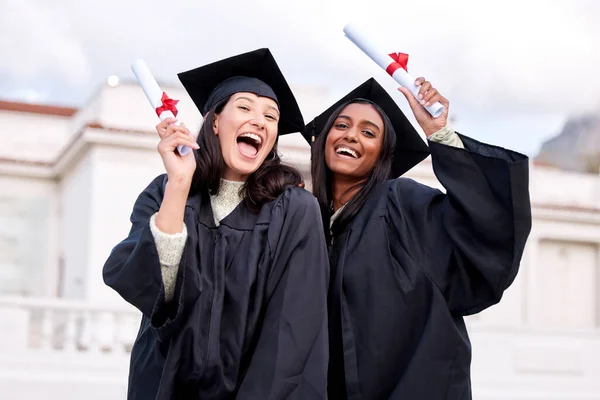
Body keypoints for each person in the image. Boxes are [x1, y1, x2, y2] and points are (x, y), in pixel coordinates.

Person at [103, 48, 330, 399]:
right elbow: (152, 294)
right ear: (214, 122)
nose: (259, 121)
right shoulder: (166, 193)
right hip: (165, 387)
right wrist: (179, 184)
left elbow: (293, 329)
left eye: (271, 116)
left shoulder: (294, 210)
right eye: (244, 108)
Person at [302, 77, 532, 399]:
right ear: (324, 138)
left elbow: (482, 227)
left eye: (369, 133)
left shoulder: (400, 204)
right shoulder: (307, 225)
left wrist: (439, 133)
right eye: (341, 125)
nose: (351, 135)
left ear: (383, 155)